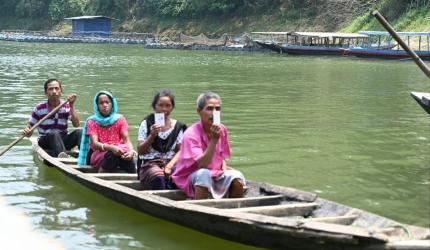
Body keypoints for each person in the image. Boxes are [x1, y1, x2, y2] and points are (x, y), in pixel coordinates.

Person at [172, 91, 245, 199]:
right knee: (203, 174)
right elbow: (201, 165)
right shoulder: (191, 134)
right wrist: (214, 140)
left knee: (237, 176)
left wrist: (224, 171)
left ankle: (234, 208)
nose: (214, 112)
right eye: (209, 108)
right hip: (192, 176)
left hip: (215, 173)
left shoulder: (222, 129)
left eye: (217, 109)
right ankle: (201, 210)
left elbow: (221, 157)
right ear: (199, 111)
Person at [137, 89, 187, 190]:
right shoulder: (146, 123)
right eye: (160, 105)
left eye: (168, 105)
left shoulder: (178, 126)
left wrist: (169, 166)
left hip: (171, 163)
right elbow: (141, 151)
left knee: (184, 174)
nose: (164, 109)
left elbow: (180, 151)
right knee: (158, 176)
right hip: (150, 163)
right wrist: (152, 136)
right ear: (154, 107)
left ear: (172, 107)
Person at [77, 91, 136, 173]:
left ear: (112, 104)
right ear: (97, 106)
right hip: (98, 153)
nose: (105, 105)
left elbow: (126, 140)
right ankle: (101, 174)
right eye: (101, 103)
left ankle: (132, 175)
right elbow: (95, 143)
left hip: (118, 150)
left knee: (128, 159)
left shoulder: (120, 119)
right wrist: (111, 148)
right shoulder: (92, 121)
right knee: (112, 155)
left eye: (107, 102)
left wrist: (130, 152)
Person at [23, 78, 82, 157]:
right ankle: (62, 158)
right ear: (46, 93)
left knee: (80, 132)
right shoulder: (39, 108)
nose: (54, 91)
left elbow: (76, 124)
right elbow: (29, 131)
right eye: (51, 89)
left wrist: (72, 105)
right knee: (53, 133)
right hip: (46, 141)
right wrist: (27, 131)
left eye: (57, 88)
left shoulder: (67, 106)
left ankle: (86, 154)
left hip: (63, 140)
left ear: (61, 91)